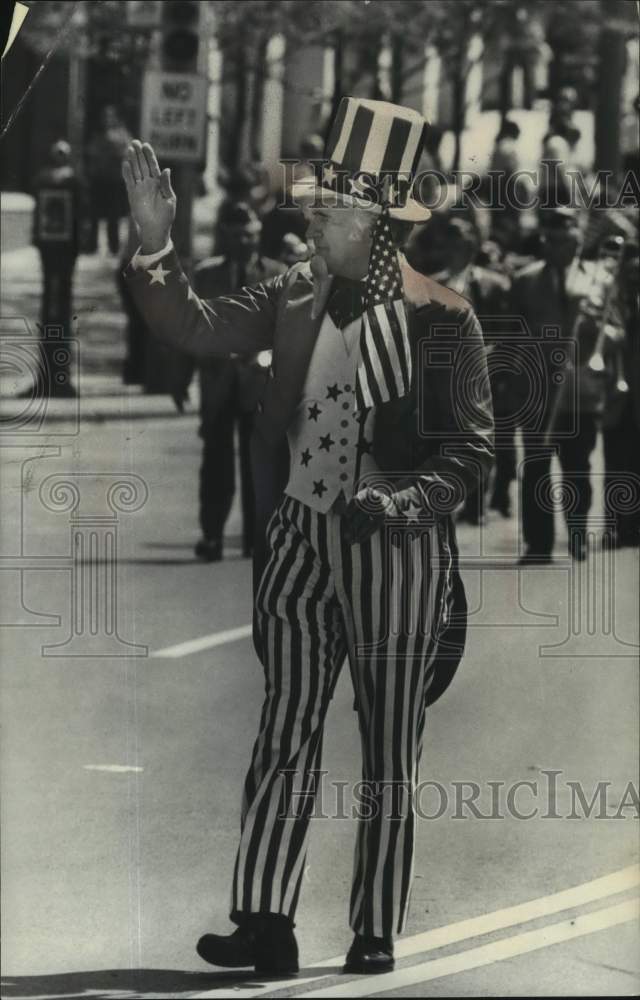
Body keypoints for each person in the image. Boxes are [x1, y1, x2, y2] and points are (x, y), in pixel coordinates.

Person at [121, 96, 494, 975]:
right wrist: (154, 244)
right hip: (299, 533)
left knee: (390, 742)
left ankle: (373, 926)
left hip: (398, 549)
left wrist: (405, 505)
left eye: (327, 210)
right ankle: (266, 920)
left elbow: (472, 450)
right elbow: (193, 325)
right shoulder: (293, 292)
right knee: (283, 726)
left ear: (371, 219)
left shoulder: (444, 319)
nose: (313, 221)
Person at [510, 207, 624, 563]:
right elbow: (513, 334)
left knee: (578, 467)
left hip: (580, 392)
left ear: (578, 238)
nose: (559, 245)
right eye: (552, 239)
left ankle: (577, 534)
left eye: (566, 238)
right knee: (536, 467)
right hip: (539, 391)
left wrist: (598, 331)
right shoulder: (525, 280)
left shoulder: (600, 278)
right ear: (545, 241)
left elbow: (618, 330)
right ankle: (538, 545)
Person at [175, 201, 286, 563]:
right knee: (216, 463)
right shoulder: (206, 276)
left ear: (258, 235)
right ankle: (212, 535)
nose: (244, 241)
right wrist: (180, 378)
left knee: (260, 464)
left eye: (250, 234)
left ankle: (258, 538)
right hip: (218, 382)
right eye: (236, 235)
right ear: (224, 236)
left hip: (261, 384)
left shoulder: (279, 275)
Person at [407, 215, 514, 521]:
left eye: (464, 244)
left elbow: (506, 328)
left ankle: (477, 505)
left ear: (472, 247)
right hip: (443, 371)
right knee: (444, 435)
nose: (458, 250)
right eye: (452, 244)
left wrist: (492, 356)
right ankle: (443, 498)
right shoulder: (433, 283)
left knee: (478, 436)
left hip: (482, 368)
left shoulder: (492, 283)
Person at [31, 139, 87, 397]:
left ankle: (53, 375)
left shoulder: (46, 180)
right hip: (61, 255)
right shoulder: (71, 182)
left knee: (54, 312)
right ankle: (57, 376)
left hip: (55, 254)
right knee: (59, 312)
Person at [86, 105, 131, 255]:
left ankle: (114, 246)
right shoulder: (97, 134)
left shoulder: (122, 133)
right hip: (99, 179)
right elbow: (92, 152)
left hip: (115, 180)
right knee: (94, 215)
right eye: (104, 116)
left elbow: (126, 152)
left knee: (114, 216)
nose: (107, 119)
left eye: (110, 116)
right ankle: (92, 245)